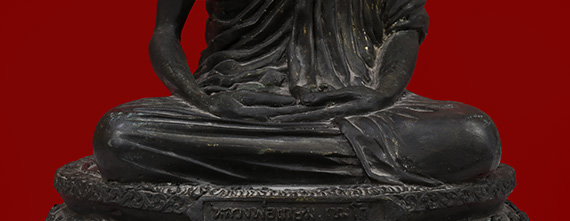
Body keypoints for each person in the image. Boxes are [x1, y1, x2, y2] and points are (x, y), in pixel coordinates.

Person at [93, 0, 501, 186]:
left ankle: (262, 160)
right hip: (237, 105)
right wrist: (204, 101)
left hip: (351, 106)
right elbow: (165, 33)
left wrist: (383, 92)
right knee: (120, 135)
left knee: (475, 136)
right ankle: (336, 162)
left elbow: (403, 26)